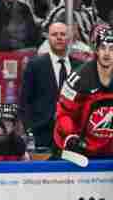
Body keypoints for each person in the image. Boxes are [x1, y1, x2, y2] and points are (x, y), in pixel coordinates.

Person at [54, 25, 113, 160]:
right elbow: (63, 114)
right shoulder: (78, 79)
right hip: (83, 150)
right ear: (96, 50)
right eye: (103, 48)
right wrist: (71, 136)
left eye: (111, 49)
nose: (107, 53)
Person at [20, 21, 73, 152]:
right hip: (42, 134)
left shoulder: (80, 67)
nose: (59, 37)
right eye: (55, 34)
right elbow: (25, 101)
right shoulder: (35, 65)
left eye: (63, 34)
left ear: (69, 38)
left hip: (73, 134)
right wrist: (29, 131)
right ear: (48, 38)